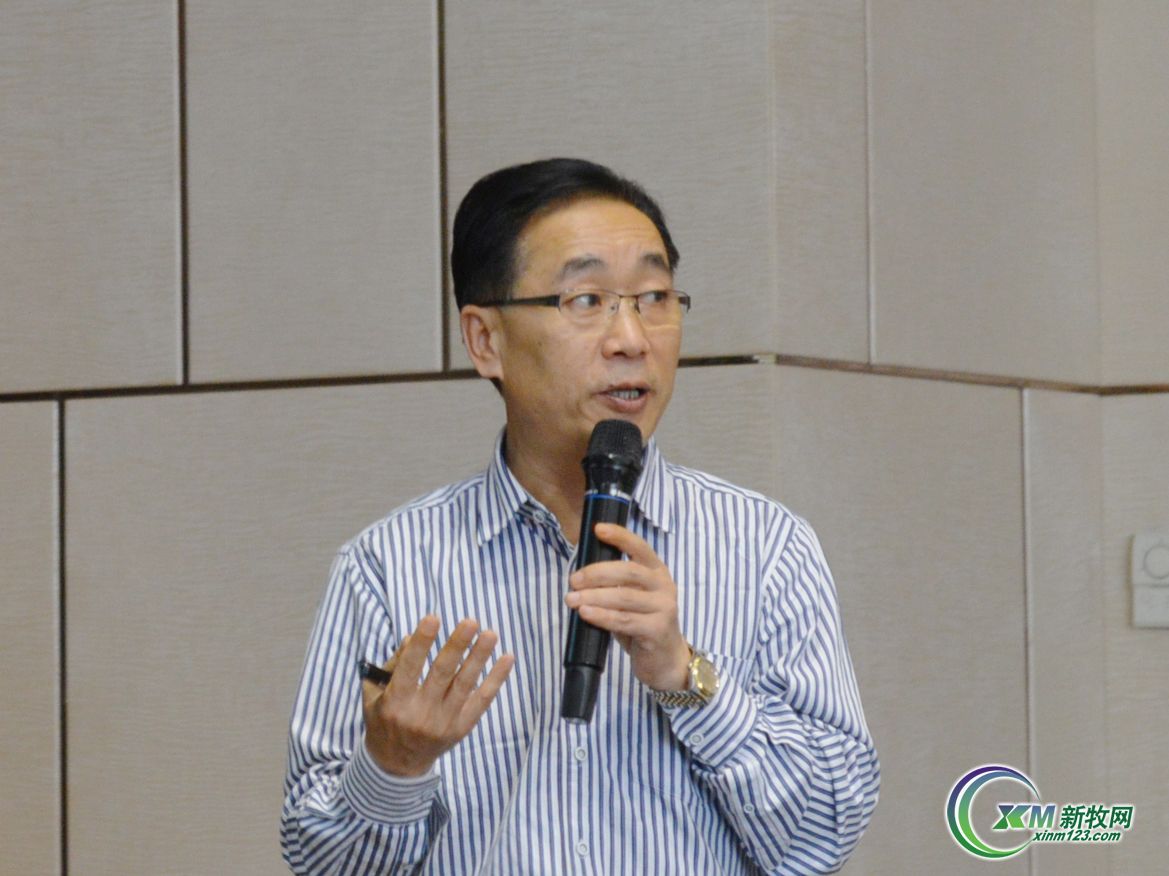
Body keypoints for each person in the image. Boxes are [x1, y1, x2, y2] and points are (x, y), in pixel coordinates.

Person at [281, 158, 879, 874]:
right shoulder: (388, 566)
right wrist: (394, 766)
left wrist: (685, 676)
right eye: (587, 300)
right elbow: (322, 863)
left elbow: (825, 833)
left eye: (654, 297)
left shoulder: (765, 547)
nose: (632, 338)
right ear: (485, 340)